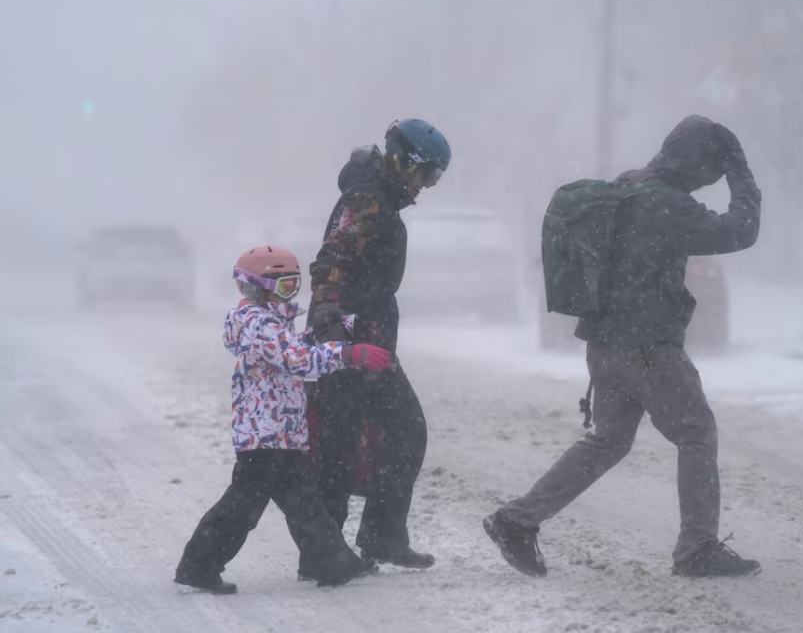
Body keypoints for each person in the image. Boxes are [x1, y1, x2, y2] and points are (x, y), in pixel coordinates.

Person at [484, 115, 763, 578]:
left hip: (605, 344)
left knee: (608, 441)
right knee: (696, 434)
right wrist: (741, 173)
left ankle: (517, 520)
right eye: (711, 171)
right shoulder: (666, 204)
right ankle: (697, 548)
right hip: (649, 347)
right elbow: (741, 229)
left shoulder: (626, 186)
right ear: (699, 165)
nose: (708, 181)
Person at [174, 245, 394, 594]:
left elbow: (293, 347)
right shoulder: (257, 322)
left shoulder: (271, 321)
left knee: (304, 503)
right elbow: (296, 359)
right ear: (255, 287)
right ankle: (198, 566)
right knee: (242, 505)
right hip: (264, 434)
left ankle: (334, 564)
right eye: (284, 286)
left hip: (283, 431)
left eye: (295, 285)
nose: (290, 293)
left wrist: (331, 329)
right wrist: (347, 353)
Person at [306, 119, 451, 570]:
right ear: (403, 161)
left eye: (435, 178)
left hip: (372, 338)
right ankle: (324, 554)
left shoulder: (380, 197)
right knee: (339, 443)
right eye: (426, 174)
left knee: (402, 431)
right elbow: (331, 259)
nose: (426, 185)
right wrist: (328, 315)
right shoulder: (366, 199)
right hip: (348, 338)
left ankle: (381, 537)